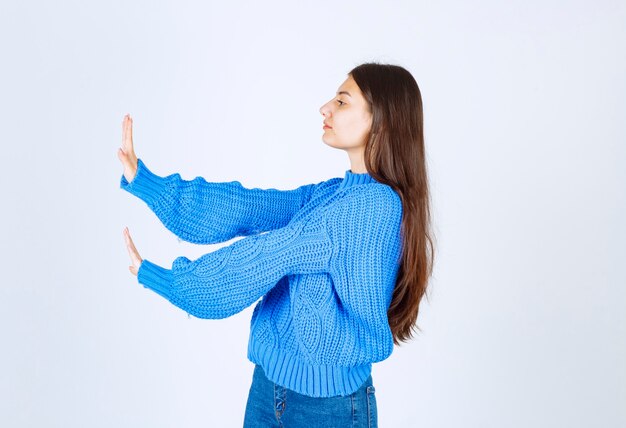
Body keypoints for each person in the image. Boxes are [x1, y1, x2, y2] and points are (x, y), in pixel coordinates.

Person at [118, 62, 435, 427]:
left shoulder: (372, 207)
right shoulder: (332, 195)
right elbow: (247, 206)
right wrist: (147, 182)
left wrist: (168, 280)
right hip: (269, 387)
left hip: (327, 408)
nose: (325, 108)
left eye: (343, 102)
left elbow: (268, 254)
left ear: (381, 120)